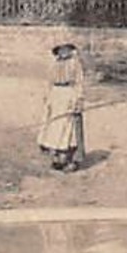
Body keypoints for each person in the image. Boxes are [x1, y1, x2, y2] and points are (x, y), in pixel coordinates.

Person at [37, 42, 86, 172]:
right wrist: (47, 97)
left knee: (67, 126)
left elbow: (79, 82)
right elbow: (49, 82)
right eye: (61, 50)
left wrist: (78, 99)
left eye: (66, 49)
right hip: (55, 94)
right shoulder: (54, 64)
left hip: (68, 94)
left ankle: (69, 158)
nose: (63, 52)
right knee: (54, 126)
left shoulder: (75, 63)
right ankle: (57, 157)